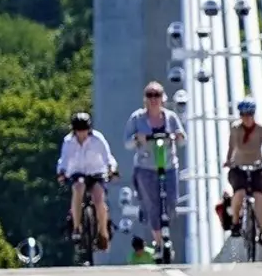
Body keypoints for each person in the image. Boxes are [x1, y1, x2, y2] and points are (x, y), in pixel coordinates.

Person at [124, 83, 184, 258]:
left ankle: (165, 233)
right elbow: (127, 143)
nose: (153, 99)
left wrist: (178, 136)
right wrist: (137, 138)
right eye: (150, 95)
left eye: (156, 95)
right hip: (146, 167)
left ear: (163, 98)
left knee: (172, 200)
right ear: (145, 99)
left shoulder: (171, 118)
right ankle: (159, 242)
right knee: (152, 205)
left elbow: (182, 139)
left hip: (168, 165)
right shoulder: (137, 118)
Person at [55, 111, 115, 252]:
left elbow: (108, 157)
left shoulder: (97, 139)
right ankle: (77, 227)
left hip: (96, 173)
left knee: (99, 199)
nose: (82, 133)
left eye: (84, 130)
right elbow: (64, 159)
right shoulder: (69, 141)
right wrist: (62, 172)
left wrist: (112, 168)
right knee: (78, 188)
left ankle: (103, 232)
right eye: (78, 130)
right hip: (78, 174)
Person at [224, 98, 262, 244]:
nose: (246, 118)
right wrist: (228, 161)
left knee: (259, 196)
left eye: (249, 114)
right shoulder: (235, 128)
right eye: (243, 114)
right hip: (239, 168)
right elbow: (231, 147)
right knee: (239, 193)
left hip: (257, 167)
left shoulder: (261, 129)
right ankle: (235, 222)